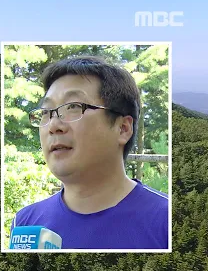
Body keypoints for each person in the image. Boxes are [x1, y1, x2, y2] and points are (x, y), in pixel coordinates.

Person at [9, 55, 169, 250]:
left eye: (73, 107)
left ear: (123, 129)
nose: (53, 125)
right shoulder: (25, 224)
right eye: (45, 112)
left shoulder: (167, 222)